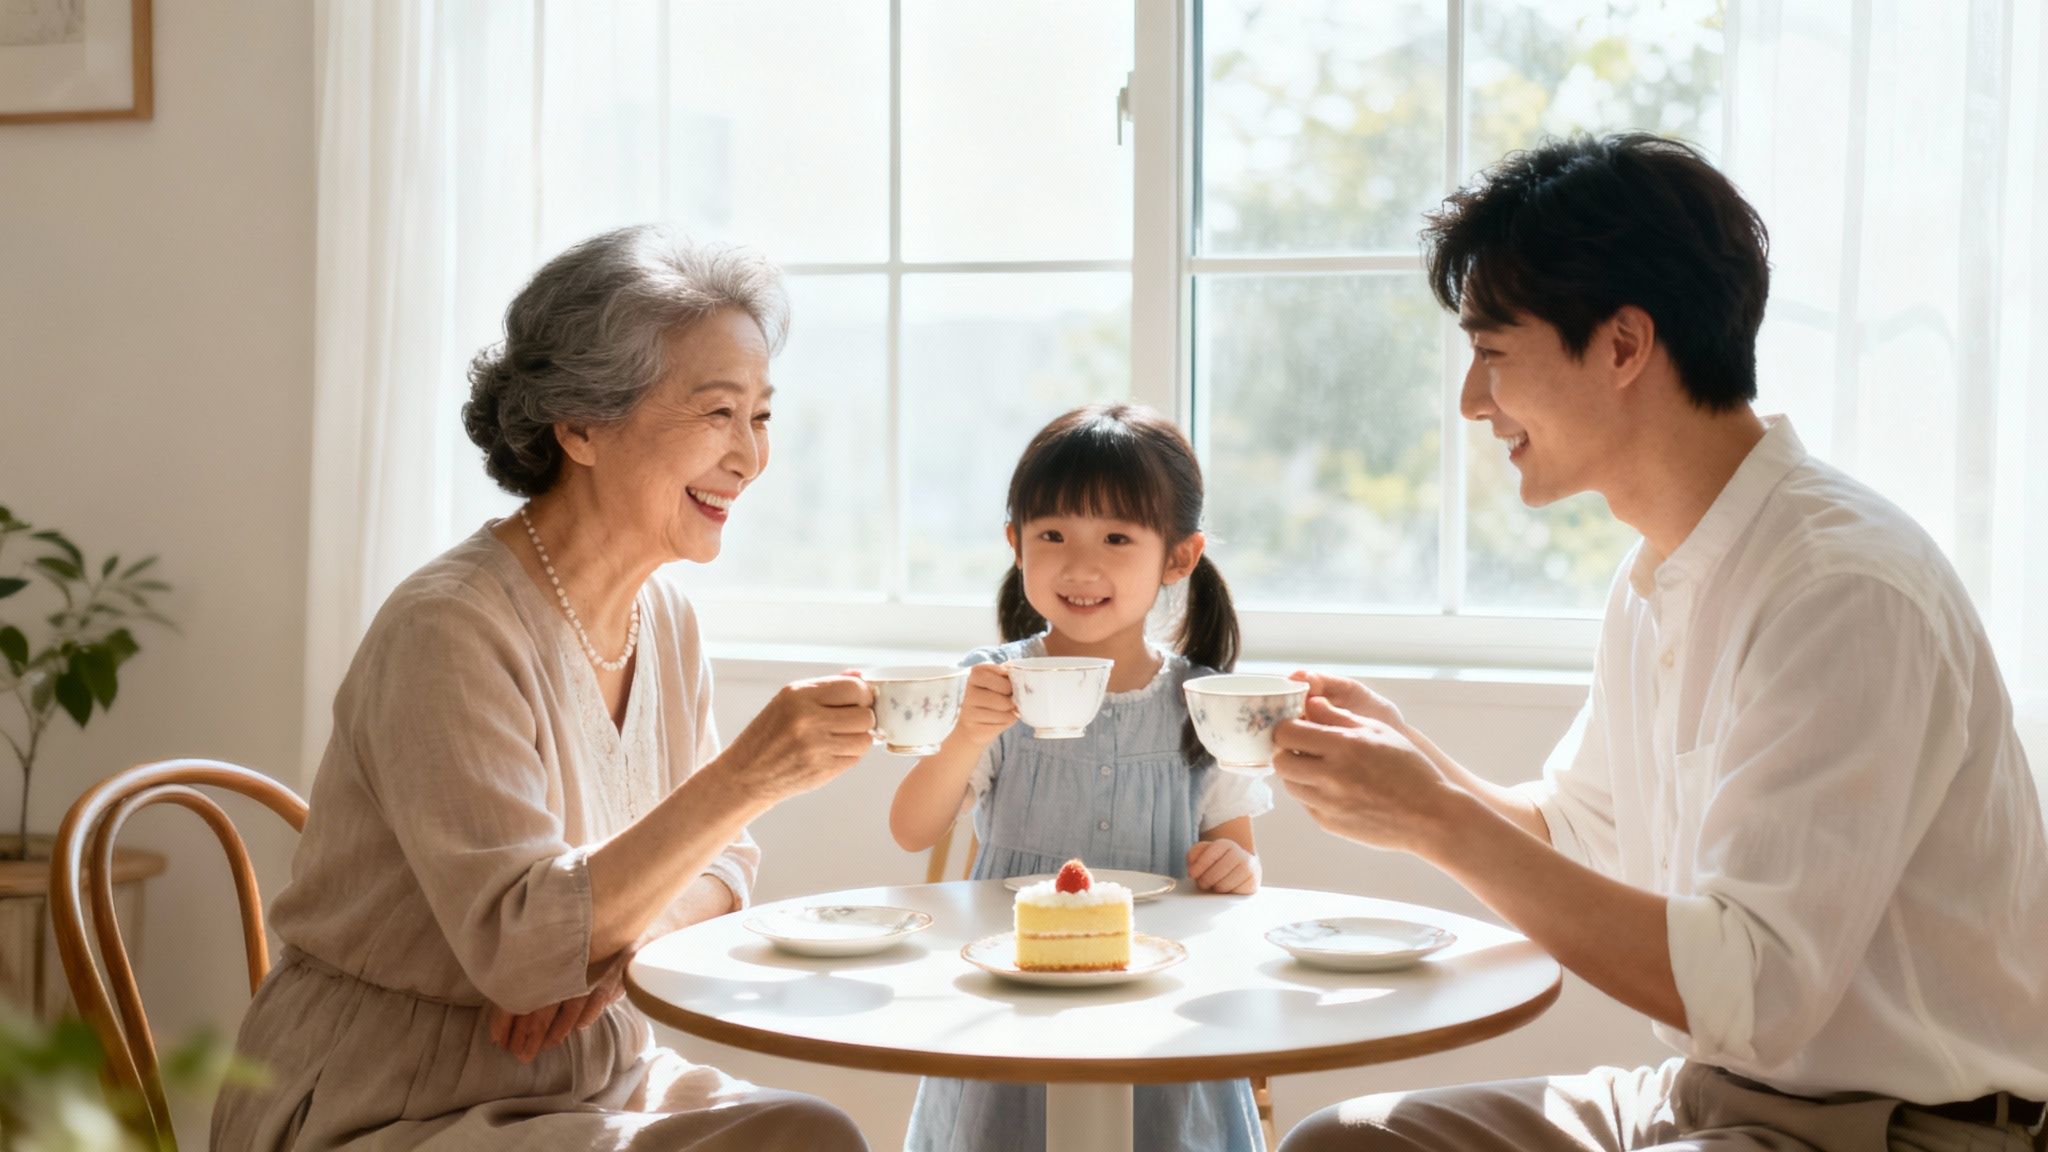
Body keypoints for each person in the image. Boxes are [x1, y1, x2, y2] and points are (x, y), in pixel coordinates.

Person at [1274, 133, 2048, 1152]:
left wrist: (1432, 821)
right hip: (1701, 1098)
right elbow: (1574, 833)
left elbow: (1754, 993)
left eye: (1492, 352)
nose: (1471, 401)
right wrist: (1409, 767)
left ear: (1623, 346)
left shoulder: (1840, 591)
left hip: (1893, 1131)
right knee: (1347, 1142)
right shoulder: (1657, 574)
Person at [213, 226, 876, 1150]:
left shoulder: (668, 621)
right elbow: (524, 956)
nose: (750, 457)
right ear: (581, 427)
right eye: (718, 413)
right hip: (391, 1099)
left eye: (761, 416)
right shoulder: (450, 628)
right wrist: (747, 777)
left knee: (813, 1132)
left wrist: (618, 946)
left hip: (601, 1074)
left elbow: (727, 869)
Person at [889, 403, 1270, 1152]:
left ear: (1179, 557)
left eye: (1118, 538)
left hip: (1161, 1013)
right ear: (1015, 544)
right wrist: (967, 733)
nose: (1081, 565)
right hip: (1009, 1004)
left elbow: (1240, 867)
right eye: (1052, 535)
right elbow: (911, 829)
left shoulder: (1203, 701)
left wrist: (1237, 866)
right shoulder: (990, 684)